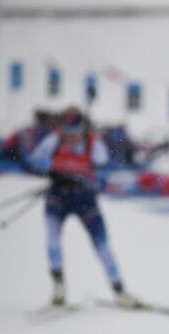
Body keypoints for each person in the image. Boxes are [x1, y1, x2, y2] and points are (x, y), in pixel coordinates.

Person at [28, 106, 137, 307]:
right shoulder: (54, 140)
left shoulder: (94, 144)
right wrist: (51, 170)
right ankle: (59, 290)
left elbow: (105, 170)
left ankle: (120, 291)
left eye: (75, 132)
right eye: (67, 132)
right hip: (58, 197)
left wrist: (88, 180)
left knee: (102, 246)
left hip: (84, 200)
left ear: (83, 128)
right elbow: (34, 161)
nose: (71, 137)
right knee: (53, 239)